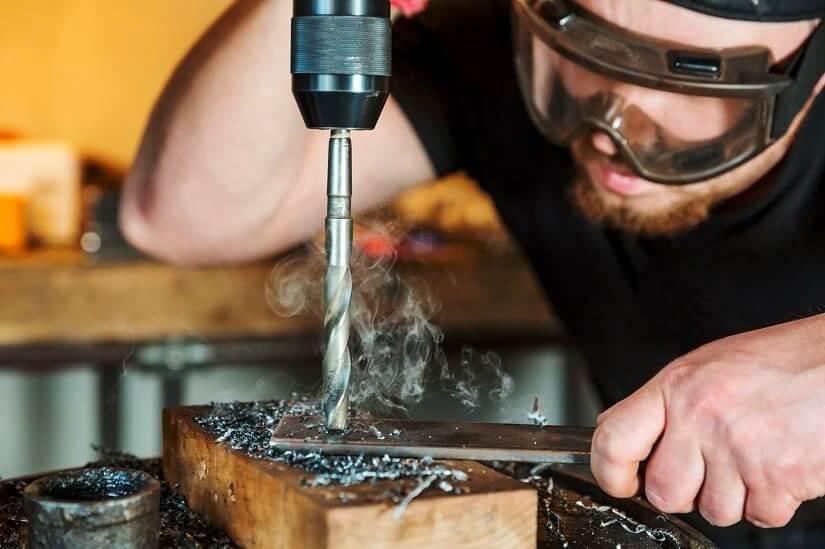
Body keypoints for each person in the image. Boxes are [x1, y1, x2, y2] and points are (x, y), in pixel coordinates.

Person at [120, 0, 825, 544]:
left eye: (691, 75)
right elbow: (180, 215)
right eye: (586, 47)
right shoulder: (492, 49)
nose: (619, 123)